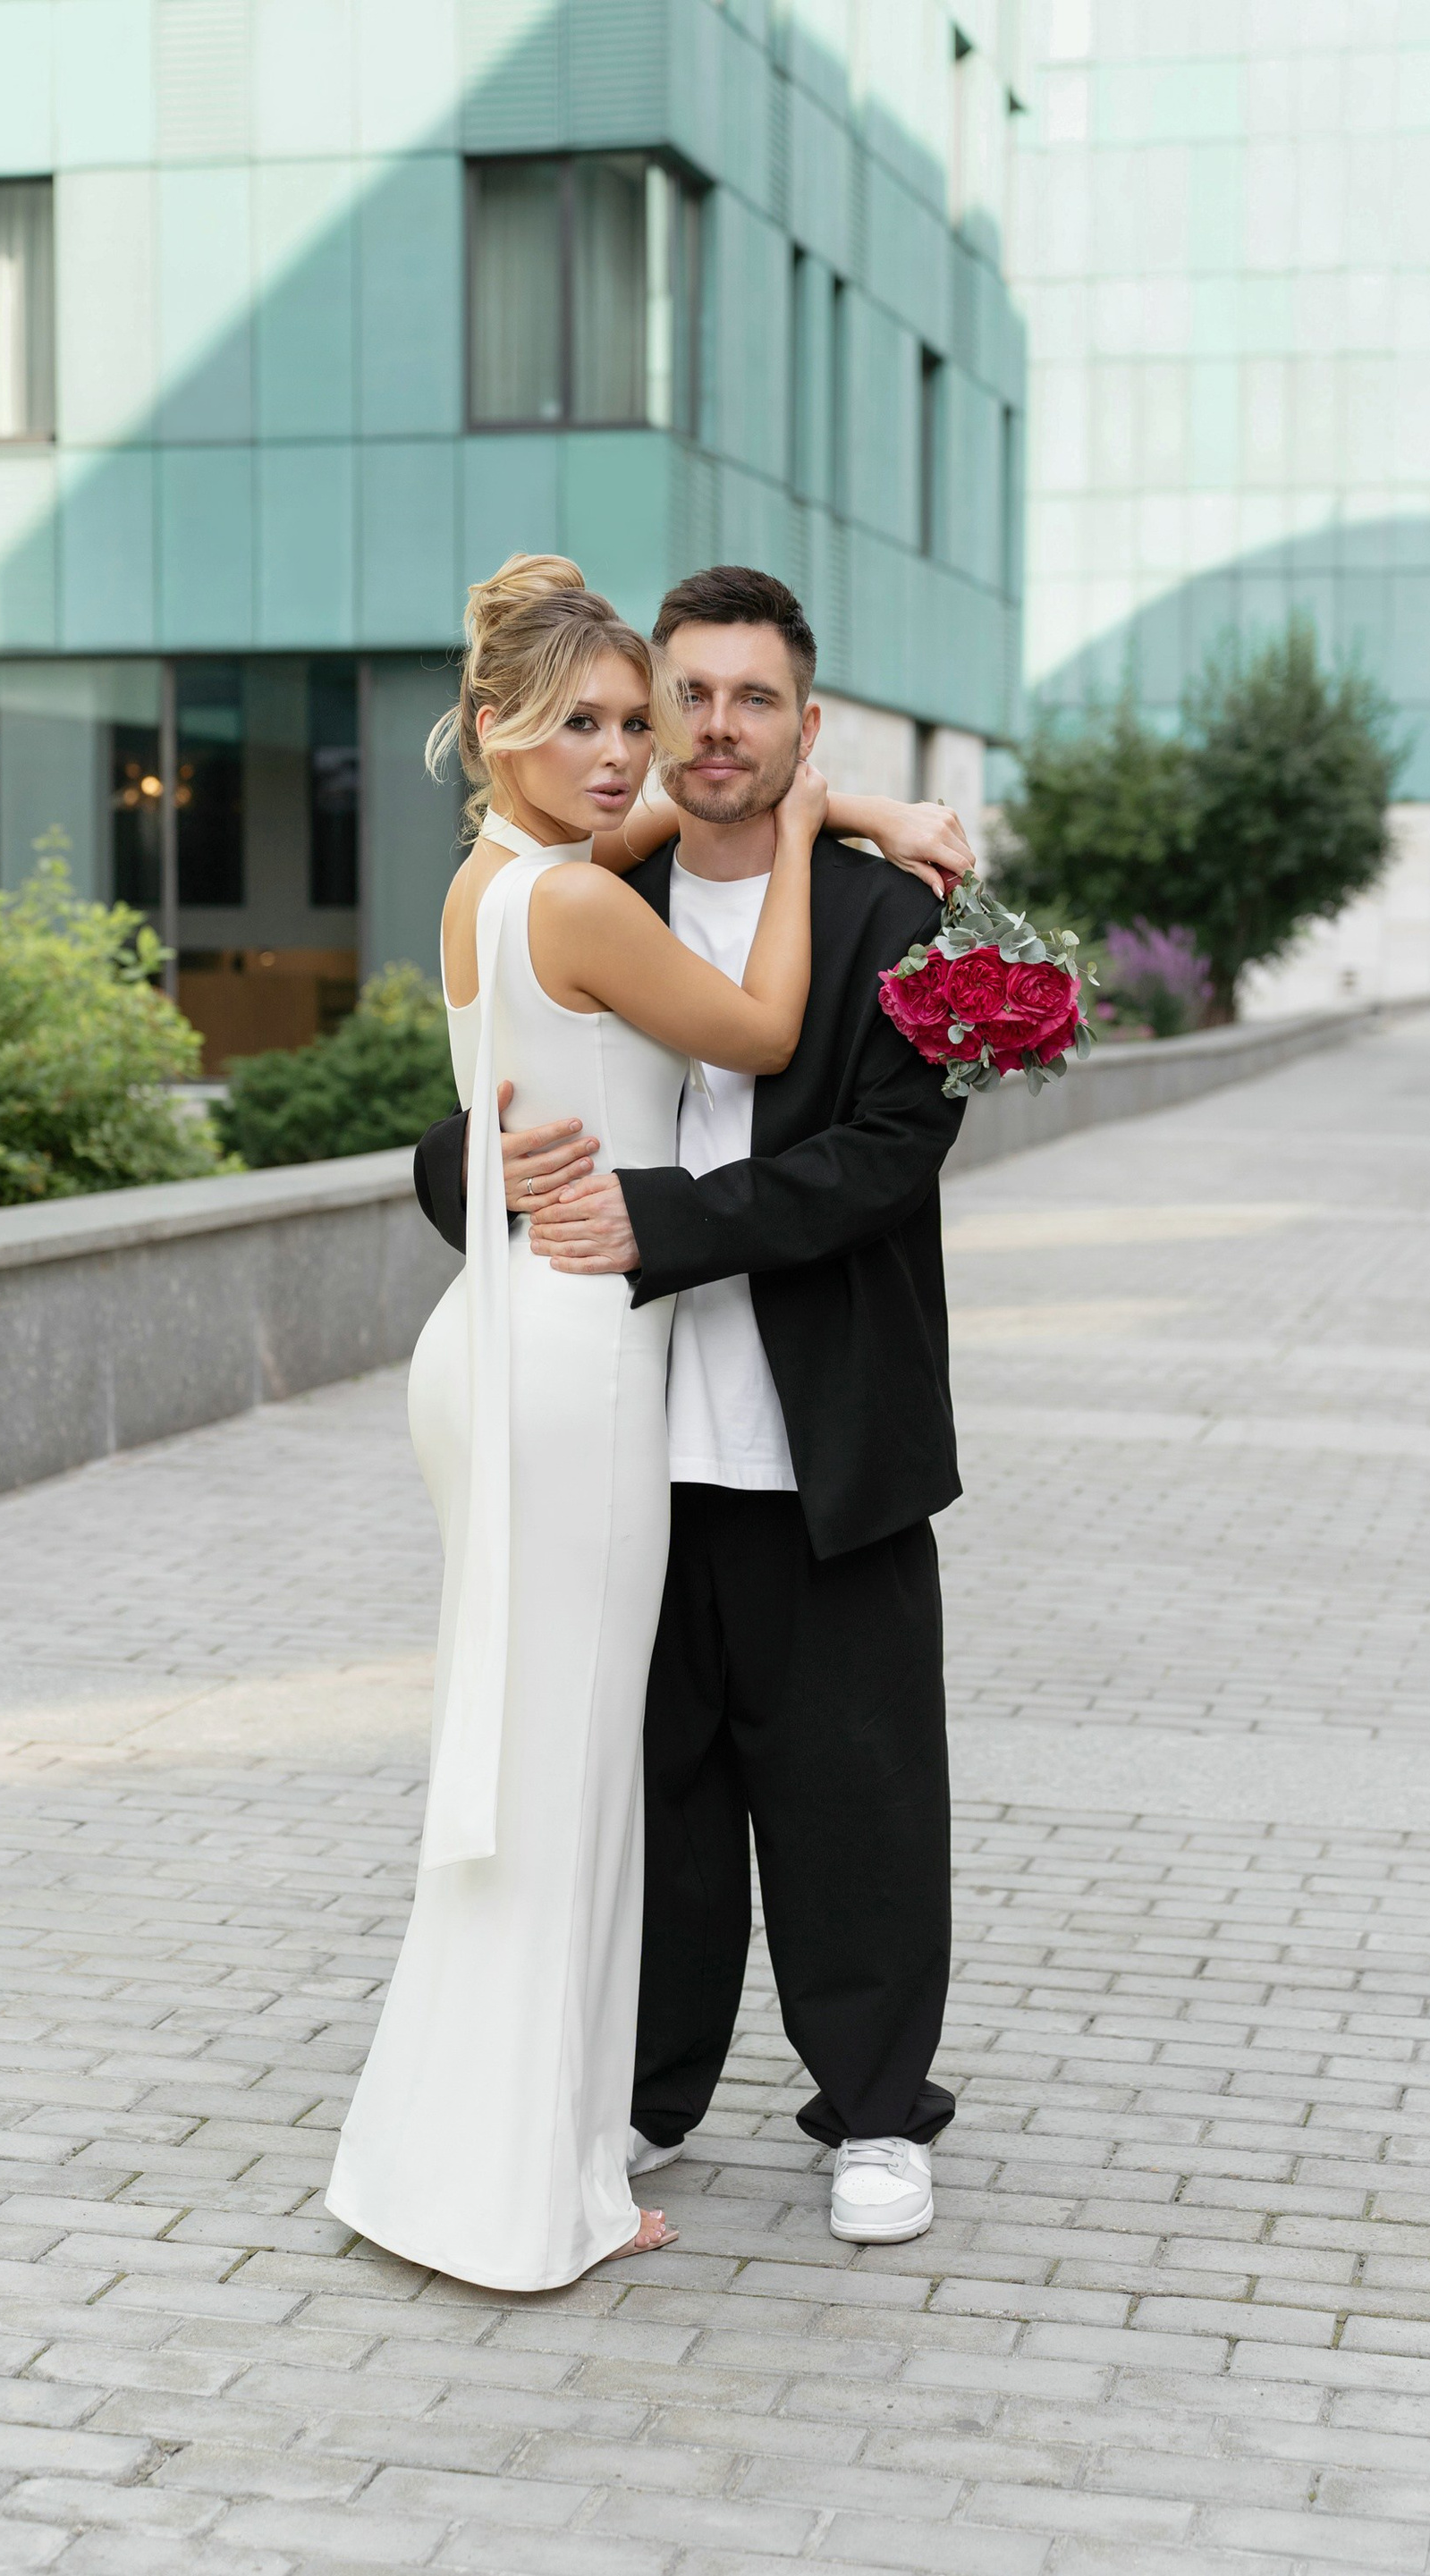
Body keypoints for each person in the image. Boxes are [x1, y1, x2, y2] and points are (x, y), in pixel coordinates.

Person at [412, 566, 968, 2248]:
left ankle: (875, 2111)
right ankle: (642, 2098)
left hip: (826, 1437)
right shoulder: (601, 874)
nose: (716, 728)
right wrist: (471, 1170)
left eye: (755, 699)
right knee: (649, 1796)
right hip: (627, 1439)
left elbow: (884, 1160)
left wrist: (662, 1220)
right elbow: (484, 1103)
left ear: (806, 723)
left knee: (860, 1796)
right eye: (690, 699)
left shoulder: (892, 923)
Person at [326, 554, 828, 2293]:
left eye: (636, 720)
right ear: (494, 728)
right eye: (583, 725)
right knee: (560, 1777)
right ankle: (526, 2191)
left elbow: (626, 851)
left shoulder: (489, 883)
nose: (625, 755)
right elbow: (763, 1026)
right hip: (575, 1359)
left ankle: (453, 2153)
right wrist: (813, 819)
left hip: (490, 1341)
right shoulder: (582, 906)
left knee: (509, 1758)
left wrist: (847, 803)